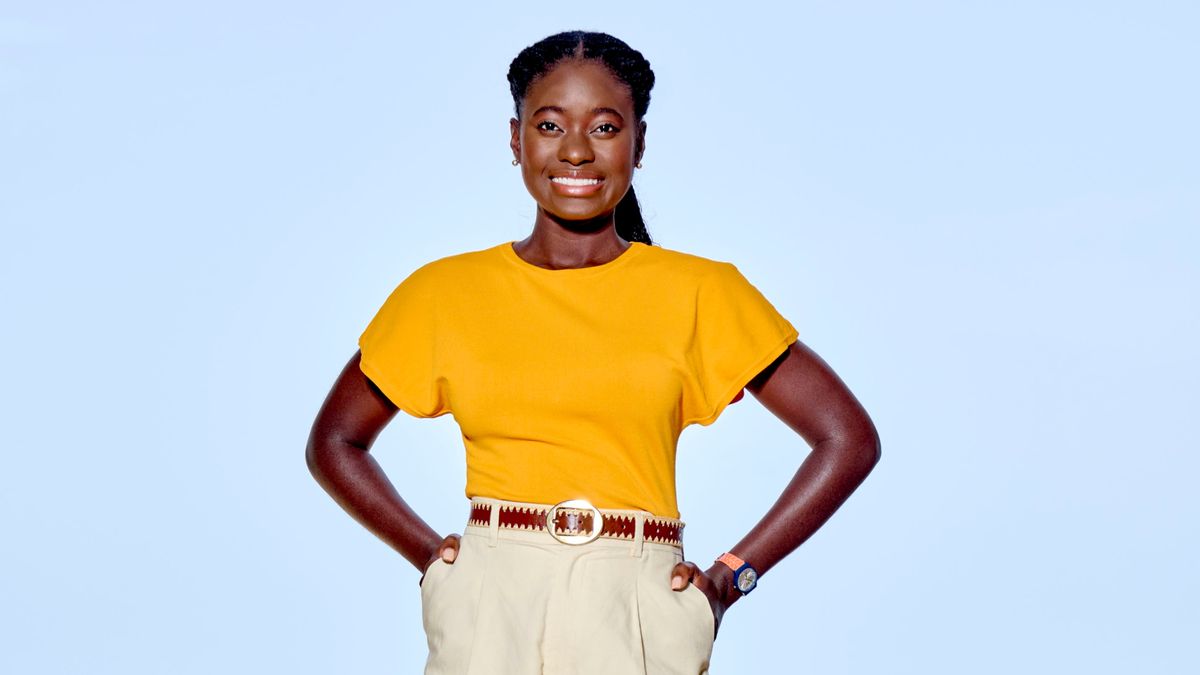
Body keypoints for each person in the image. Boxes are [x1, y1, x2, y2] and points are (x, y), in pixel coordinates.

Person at [306, 30, 880, 675]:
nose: (575, 151)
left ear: (639, 144)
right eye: (550, 125)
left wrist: (730, 577)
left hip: (636, 597)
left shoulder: (702, 292)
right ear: (516, 139)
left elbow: (847, 438)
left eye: (605, 127)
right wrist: (435, 563)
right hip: (489, 597)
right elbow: (334, 441)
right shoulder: (442, 292)